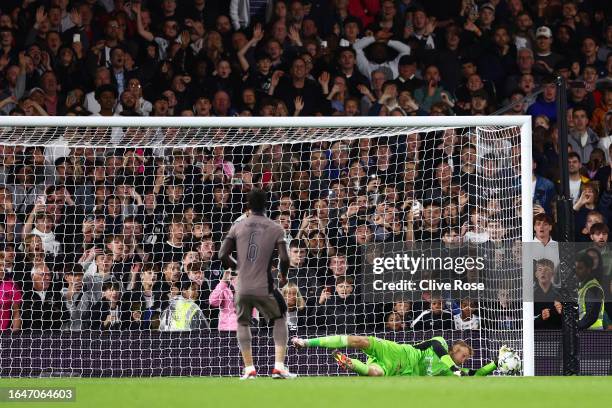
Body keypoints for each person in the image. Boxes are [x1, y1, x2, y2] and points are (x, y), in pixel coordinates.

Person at [218, 188, 294, 379]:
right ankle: (278, 367)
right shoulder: (276, 227)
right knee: (280, 317)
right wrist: (283, 275)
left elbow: (222, 255)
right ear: (267, 205)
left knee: (243, 322)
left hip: (242, 285)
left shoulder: (237, 227)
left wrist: (238, 268)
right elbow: (284, 258)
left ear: (248, 206)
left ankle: (249, 369)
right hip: (264, 284)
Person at [292, 335, 511, 377]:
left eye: (465, 359)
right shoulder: (441, 344)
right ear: (454, 350)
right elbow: (434, 345)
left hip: (399, 371)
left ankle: (349, 363)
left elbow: (476, 373)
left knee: (374, 373)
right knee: (360, 341)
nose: (463, 361)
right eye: (463, 356)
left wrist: (497, 363)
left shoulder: (448, 371)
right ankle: (306, 342)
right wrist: (454, 369)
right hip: (396, 351)